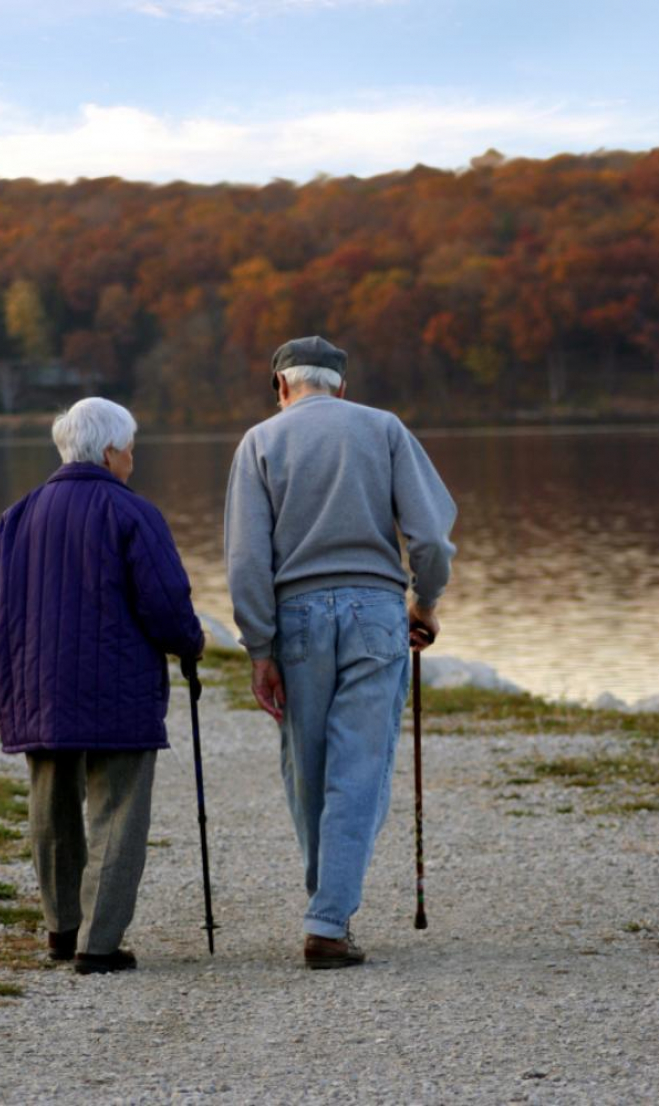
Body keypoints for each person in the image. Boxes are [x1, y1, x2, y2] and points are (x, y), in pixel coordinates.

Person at [224, 336, 456, 970]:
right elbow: (431, 536)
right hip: (376, 615)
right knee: (359, 769)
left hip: (294, 618)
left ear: (281, 388)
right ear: (341, 387)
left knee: (308, 771)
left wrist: (259, 648)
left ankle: (326, 906)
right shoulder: (383, 430)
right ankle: (328, 919)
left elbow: (246, 561)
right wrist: (425, 602)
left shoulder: (259, 443)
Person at [0, 397, 204, 975]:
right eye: (130, 449)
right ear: (110, 451)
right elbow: (167, 605)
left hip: (35, 690)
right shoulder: (133, 514)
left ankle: (61, 929)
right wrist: (190, 645)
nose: (133, 459)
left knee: (52, 809)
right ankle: (99, 944)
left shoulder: (18, 516)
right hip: (118, 689)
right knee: (118, 811)